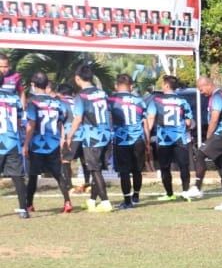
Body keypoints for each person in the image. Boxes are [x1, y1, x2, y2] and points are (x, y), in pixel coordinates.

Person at [22, 72, 74, 215]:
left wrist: (25, 144)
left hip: (37, 144)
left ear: (33, 85)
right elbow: (63, 121)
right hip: (53, 143)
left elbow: (31, 125)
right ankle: (67, 201)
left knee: (33, 175)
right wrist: (63, 137)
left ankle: (29, 204)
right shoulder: (58, 102)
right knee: (58, 174)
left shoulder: (32, 102)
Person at [68, 64, 115, 212]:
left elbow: (77, 119)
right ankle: (92, 201)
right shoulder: (102, 93)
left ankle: (106, 202)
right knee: (98, 169)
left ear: (77, 78)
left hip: (92, 137)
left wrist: (69, 136)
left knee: (95, 171)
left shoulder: (80, 96)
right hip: (106, 135)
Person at [188, 76, 222, 210]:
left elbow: (214, 120)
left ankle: (197, 187)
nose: (201, 92)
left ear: (208, 85)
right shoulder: (220, 96)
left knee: (200, 154)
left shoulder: (217, 97)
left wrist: (208, 139)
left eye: (201, 89)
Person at [108, 74, 152, 208]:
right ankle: (136, 196)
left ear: (116, 85)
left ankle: (127, 201)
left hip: (121, 140)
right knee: (137, 170)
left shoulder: (111, 100)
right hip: (138, 138)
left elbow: (109, 119)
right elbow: (145, 123)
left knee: (124, 171)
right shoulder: (140, 101)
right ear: (131, 86)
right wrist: (148, 142)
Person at [147, 76, 195, 201]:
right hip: (180, 138)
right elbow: (189, 122)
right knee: (184, 166)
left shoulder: (156, 100)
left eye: (163, 84)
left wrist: (147, 136)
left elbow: (150, 119)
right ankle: (185, 192)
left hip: (164, 139)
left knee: (165, 167)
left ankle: (169, 194)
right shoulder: (183, 101)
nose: (162, 86)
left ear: (167, 86)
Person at [0, 78, 26, 218]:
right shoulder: (14, 97)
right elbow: (19, 120)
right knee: (18, 177)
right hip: (12, 141)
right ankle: (23, 209)